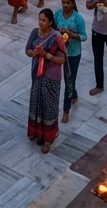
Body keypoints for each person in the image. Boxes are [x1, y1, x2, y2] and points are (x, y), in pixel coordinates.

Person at [23, 8, 65, 154]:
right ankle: (37, 133)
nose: (41, 23)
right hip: (37, 75)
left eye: (44, 20)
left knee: (49, 106)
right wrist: (34, 53)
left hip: (51, 76)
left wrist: (46, 55)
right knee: (36, 102)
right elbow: (27, 50)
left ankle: (48, 139)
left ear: (50, 22)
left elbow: (62, 59)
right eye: (39, 19)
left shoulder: (56, 37)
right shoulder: (35, 32)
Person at [56, 0, 88, 123]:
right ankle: (74, 93)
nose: (65, 5)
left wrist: (73, 35)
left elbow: (84, 36)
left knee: (69, 80)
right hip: (59, 53)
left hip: (73, 54)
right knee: (69, 79)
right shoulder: (57, 14)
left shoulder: (78, 18)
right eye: (63, 2)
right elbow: (53, 27)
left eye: (68, 3)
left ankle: (66, 110)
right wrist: (60, 31)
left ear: (73, 4)